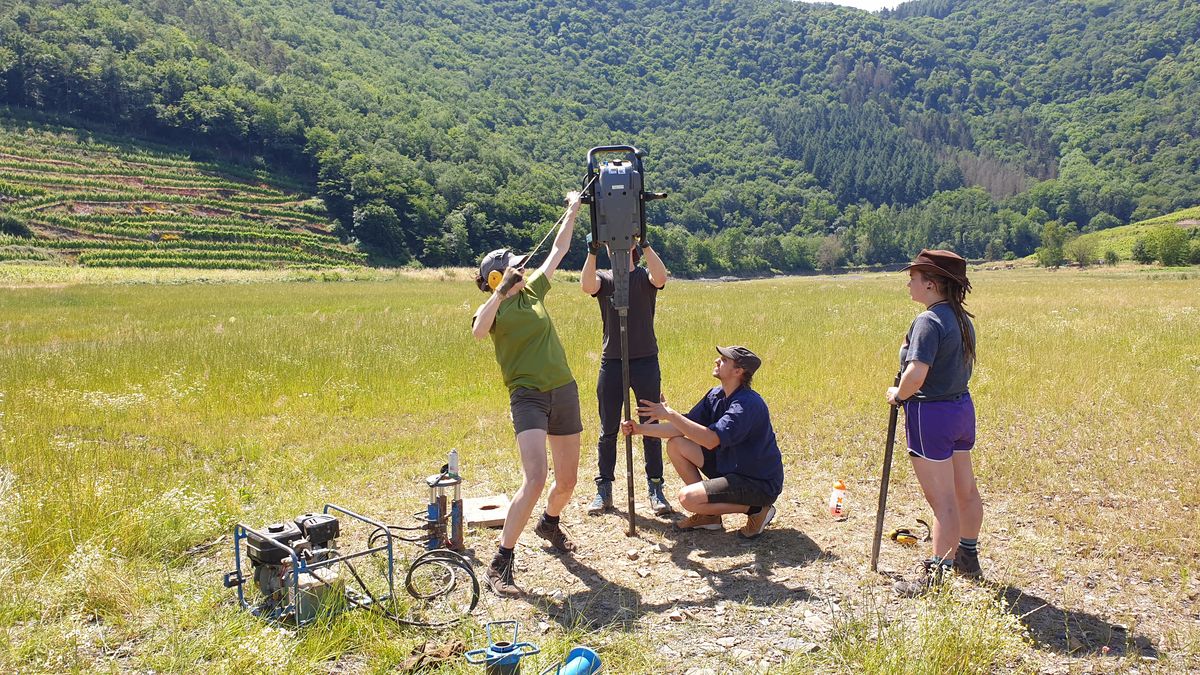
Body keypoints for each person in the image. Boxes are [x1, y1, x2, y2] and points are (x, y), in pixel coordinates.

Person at [470, 190, 582, 597]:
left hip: (563, 390)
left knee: (567, 482)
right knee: (536, 478)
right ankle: (502, 562)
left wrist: (571, 210)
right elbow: (478, 331)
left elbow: (558, 248)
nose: (523, 268)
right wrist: (499, 295)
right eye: (514, 268)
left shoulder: (534, 290)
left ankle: (549, 523)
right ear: (497, 278)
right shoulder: (495, 310)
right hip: (528, 396)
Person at [886, 249, 983, 596]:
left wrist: (898, 394)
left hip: (931, 414)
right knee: (965, 490)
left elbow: (916, 373)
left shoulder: (929, 321)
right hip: (960, 408)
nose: (908, 283)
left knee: (943, 500)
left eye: (913, 277)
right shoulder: (960, 317)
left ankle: (936, 576)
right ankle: (967, 556)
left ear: (931, 283)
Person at [621, 346, 783, 538]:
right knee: (676, 445)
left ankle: (756, 509)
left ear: (738, 371)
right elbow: (683, 427)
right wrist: (638, 429)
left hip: (758, 482)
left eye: (723, 359)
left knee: (687, 498)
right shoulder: (716, 395)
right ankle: (710, 517)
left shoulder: (746, 405)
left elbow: (710, 440)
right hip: (731, 467)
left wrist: (670, 414)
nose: (717, 360)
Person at [580, 237, 672, 516]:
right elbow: (587, 285)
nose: (613, 250)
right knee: (608, 428)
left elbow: (661, 277)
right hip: (612, 361)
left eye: (617, 246)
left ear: (631, 250)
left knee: (651, 424)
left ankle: (655, 488)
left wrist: (645, 244)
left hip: (645, 361)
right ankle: (604, 489)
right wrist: (591, 251)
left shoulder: (644, 277)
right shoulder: (605, 279)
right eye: (609, 248)